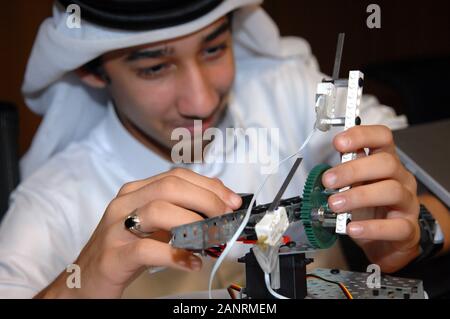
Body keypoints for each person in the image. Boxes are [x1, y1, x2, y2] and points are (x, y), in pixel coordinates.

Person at [0, 0, 448, 298]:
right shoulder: (51, 202)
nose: (201, 100)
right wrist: (82, 285)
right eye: (156, 67)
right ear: (93, 73)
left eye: (214, 48)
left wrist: (417, 230)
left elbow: (434, 185)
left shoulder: (291, 91)